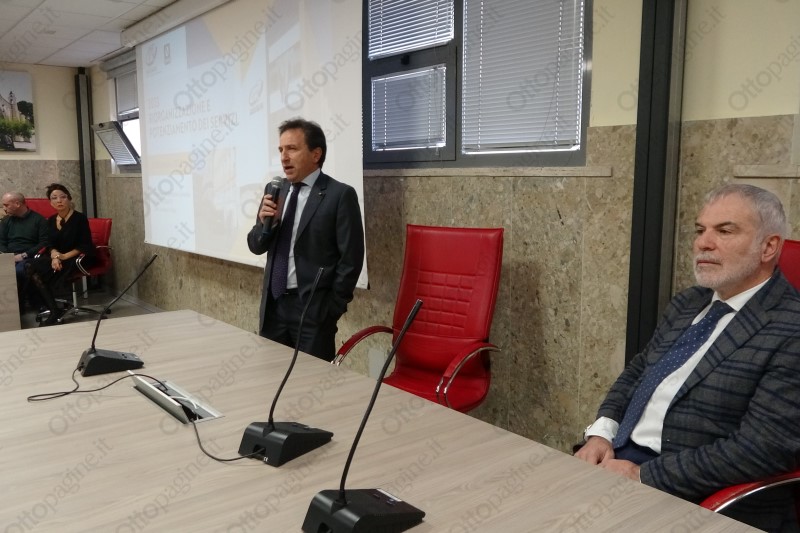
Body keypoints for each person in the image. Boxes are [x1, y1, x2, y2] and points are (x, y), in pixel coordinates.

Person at [575, 184, 800, 532]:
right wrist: (601, 435)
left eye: (724, 231)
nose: (703, 243)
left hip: (694, 492)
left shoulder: (790, 327)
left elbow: (761, 449)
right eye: (700, 230)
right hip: (618, 458)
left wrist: (642, 474)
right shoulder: (688, 303)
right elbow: (637, 372)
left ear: (768, 247)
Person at [247, 118, 365, 361]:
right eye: (281, 149)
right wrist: (264, 224)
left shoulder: (339, 195)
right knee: (272, 374)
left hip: (313, 312)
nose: (284, 157)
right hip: (274, 307)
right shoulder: (275, 189)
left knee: (310, 379)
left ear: (315, 154)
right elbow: (256, 246)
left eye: (292, 148)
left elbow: (351, 259)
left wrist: (331, 309)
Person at [25, 184, 94, 326]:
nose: (59, 201)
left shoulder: (79, 218)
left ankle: (54, 310)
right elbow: (49, 244)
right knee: (31, 267)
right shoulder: (51, 220)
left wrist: (63, 257)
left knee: (43, 271)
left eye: (63, 197)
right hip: (58, 256)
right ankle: (54, 309)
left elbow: (85, 244)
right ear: (50, 202)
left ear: (69, 199)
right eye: (54, 198)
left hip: (77, 257)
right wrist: (55, 256)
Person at [0, 192, 48, 310]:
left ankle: (22, 305)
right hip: (9, 256)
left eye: (6, 205)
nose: (4, 208)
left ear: (17, 204)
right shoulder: (6, 220)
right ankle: (8, 309)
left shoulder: (39, 220)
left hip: (29, 256)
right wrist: (8, 256)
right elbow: (1, 241)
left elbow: (44, 243)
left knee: (19, 270)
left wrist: (23, 255)